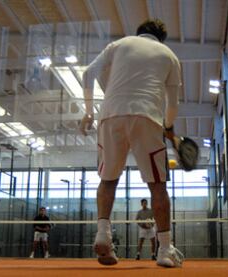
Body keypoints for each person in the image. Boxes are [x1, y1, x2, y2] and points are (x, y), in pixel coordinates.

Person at [80, 19, 184, 267]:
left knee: (108, 180)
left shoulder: (119, 44)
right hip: (147, 117)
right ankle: (165, 250)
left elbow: (87, 73)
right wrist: (168, 127)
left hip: (110, 115)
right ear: (161, 38)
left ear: (139, 34)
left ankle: (103, 235)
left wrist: (88, 112)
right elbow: (172, 105)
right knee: (157, 186)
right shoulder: (169, 55)